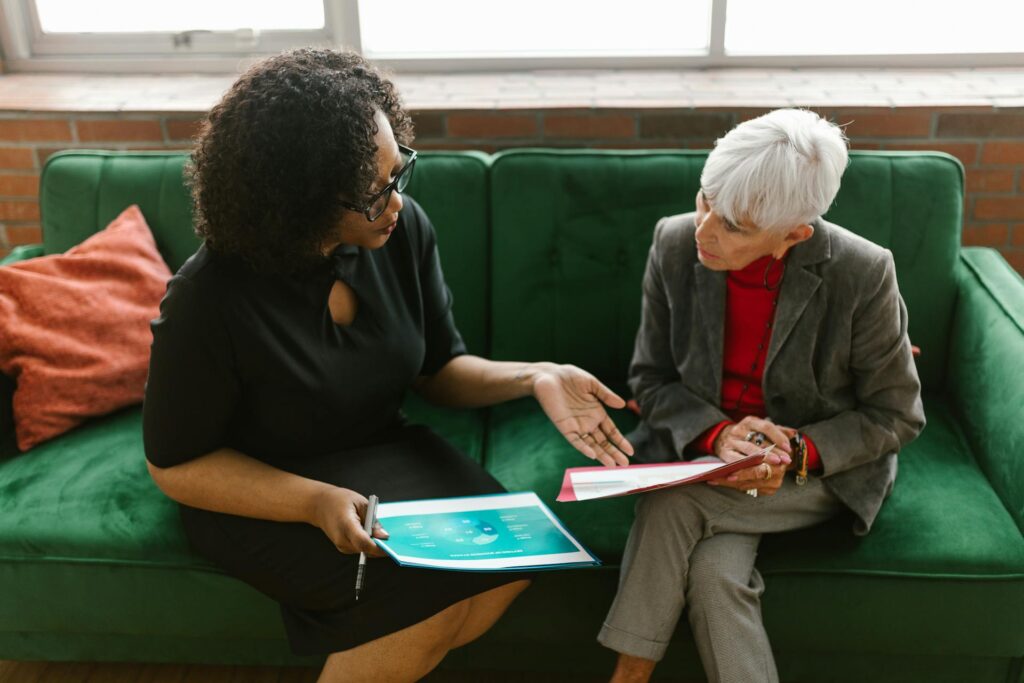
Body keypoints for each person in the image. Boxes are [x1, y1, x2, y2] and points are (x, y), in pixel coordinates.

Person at [142, 48, 633, 683]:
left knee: (513, 567)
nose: (396, 202)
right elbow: (176, 464)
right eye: (375, 194)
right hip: (266, 483)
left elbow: (440, 369)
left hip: (381, 449)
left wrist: (534, 374)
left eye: (399, 172)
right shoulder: (208, 299)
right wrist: (312, 503)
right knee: (420, 606)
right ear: (303, 201)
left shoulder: (400, 232)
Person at [598, 109, 925, 683]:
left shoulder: (864, 272)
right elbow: (650, 379)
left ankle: (628, 676)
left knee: (673, 502)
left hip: (812, 472)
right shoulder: (674, 242)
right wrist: (720, 435)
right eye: (704, 200)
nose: (704, 230)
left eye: (734, 226)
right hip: (705, 456)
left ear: (796, 232)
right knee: (715, 574)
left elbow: (896, 414)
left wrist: (793, 454)